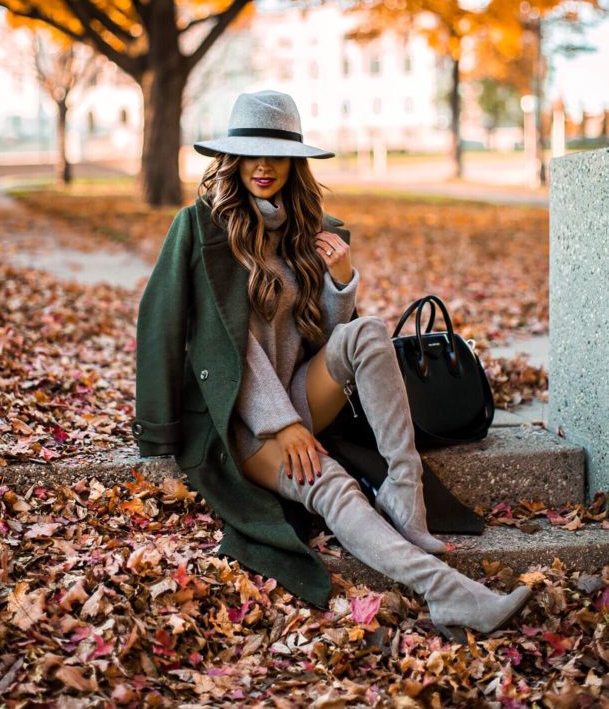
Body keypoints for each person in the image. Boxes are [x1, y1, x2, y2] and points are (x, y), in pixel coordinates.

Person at [132, 89, 533, 640]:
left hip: (295, 390)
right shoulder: (204, 231)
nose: (265, 166)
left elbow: (322, 334)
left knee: (366, 333)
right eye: (252, 153)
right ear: (234, 158)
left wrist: (340, 281)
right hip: (240, 421)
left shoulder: (310, 227)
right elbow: (211, 343)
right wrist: (277, 425)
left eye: (277, 154)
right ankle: (448, 594)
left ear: (296, 162)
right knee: (333, 485)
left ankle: (402, 486)